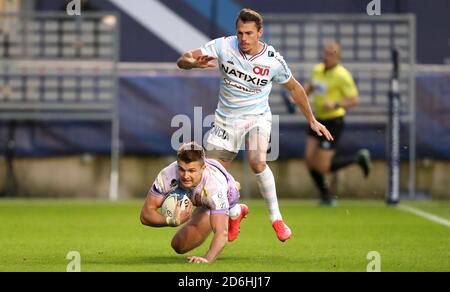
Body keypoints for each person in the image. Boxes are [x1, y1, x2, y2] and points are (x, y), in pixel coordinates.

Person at [177, 8, 333, 242]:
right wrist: (191, 64)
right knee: (211, 179)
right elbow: (183, 58)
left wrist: (311, 120)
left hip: (257, 117)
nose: (243, 38)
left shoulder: (273, 61)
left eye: (249, 33)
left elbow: (296, 88)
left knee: (257, 160)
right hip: (225, 121)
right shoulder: (223, 45)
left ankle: (276, 218)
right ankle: (235, 211)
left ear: (260, 33)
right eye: (240, 33)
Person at [140, 142, 249, 263]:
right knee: (179, 246)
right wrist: (170, 221)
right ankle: (233, 211)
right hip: (198, 195)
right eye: (182, 169)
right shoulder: (167, 175)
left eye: (191, 171)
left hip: (223, 195)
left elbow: (221, 232)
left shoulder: (215, 188)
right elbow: (145, 215)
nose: (186, 176)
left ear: (203, 168)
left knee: (222, 212)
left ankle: (236, 211)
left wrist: (207, 259)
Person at [304, 42, 372, 206]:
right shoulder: (317, 69)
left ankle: (357, 158)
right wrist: (297, 98)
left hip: (334, 120)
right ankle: (326, 196)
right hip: (317, 119)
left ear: (338, 57)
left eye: (331, 54)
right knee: (308, 159)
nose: (327, 56)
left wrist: (336, 104)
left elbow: (354, 99)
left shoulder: (342, 75)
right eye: (326, 53)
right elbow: (311, 86)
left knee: (322, 166)